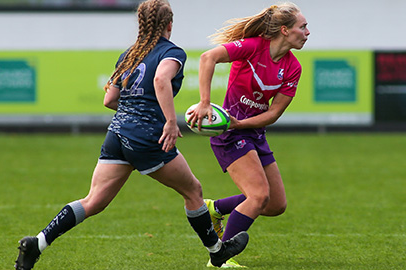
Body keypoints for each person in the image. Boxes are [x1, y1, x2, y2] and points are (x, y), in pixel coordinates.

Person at [13, 0, 249, 269]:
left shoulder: (129, 54)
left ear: (142, 24)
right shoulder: (172, 52)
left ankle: (38, 242)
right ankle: (217, 251)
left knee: (93, 201)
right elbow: (161, 80)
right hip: (147, 136)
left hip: (117, 134)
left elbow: (109, 99)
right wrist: (170, 122)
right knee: (193, 190)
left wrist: (133, 110)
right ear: (170, 24)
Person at [187, 2, 310, 267]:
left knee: (275, 204)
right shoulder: (253, 46)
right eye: (303, 26)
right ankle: (220, 260)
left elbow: (274, 112)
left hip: (249, 132)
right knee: (257, 196)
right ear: (285, 30)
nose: (308, 32)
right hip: (228, 136)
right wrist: (205, 102)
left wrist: (240, 124)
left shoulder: (293, 67)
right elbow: (209, 58)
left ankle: (215, 209)